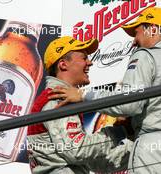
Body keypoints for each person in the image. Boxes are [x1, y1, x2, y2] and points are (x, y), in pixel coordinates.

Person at [48, 7, 161, 174]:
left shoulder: (146, 55)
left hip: (153, 149)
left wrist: (84, 95)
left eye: (136, 33)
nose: (134, 41)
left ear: (153, 29)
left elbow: (130, 103)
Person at [27, 36, 133, 174]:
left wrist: (137, 146)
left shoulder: (59, 97)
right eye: (84, 58)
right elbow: (77, 150)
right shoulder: (58, 98)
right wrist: (119, 132)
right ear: (63, 64)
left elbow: (95, 163)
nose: (90, 63)